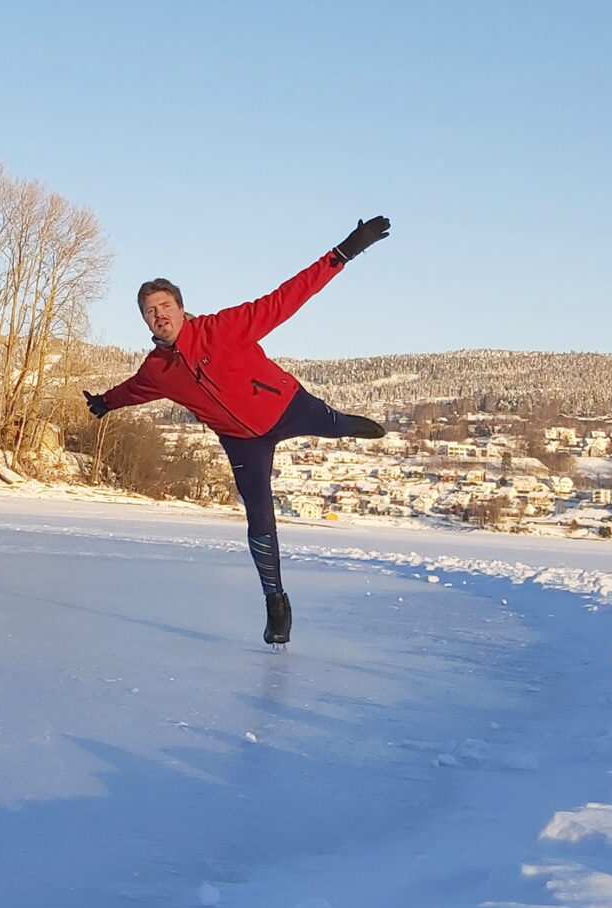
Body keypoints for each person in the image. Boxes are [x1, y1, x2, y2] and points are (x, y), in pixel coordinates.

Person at [84, 216, 390, 645]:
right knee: (259, 518)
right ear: (145, 321)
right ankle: (276, 602)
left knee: (331, 424)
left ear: (180, 308)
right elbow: (134, 390)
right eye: (150, 312)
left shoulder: (222, 329)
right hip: (242, 440)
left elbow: (286, 298)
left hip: (287, 406)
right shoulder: (156, 370)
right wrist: (104, 402)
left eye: (164, 306)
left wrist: (343, 252)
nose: (159, 316)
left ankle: (344, 422)